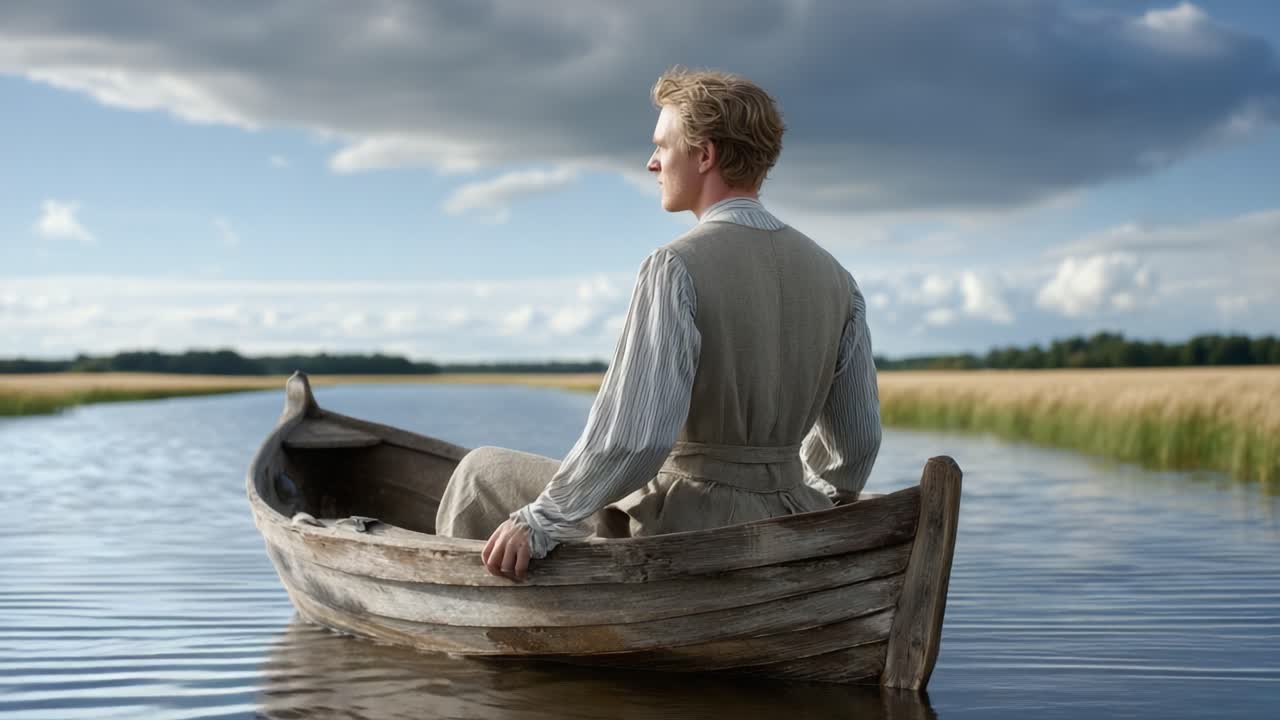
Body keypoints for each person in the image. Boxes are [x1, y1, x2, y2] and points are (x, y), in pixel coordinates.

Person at [434, 66, 881, 581]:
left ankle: (466, 633)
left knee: (480, 471)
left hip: (690, 523)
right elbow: (857, 443)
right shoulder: (837, 279)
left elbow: (635, 438)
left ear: (705, 155)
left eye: (662, 147)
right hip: (794, 513)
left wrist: (541, 519)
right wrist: (811, 501)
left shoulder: (675, 266)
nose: (652, 163)